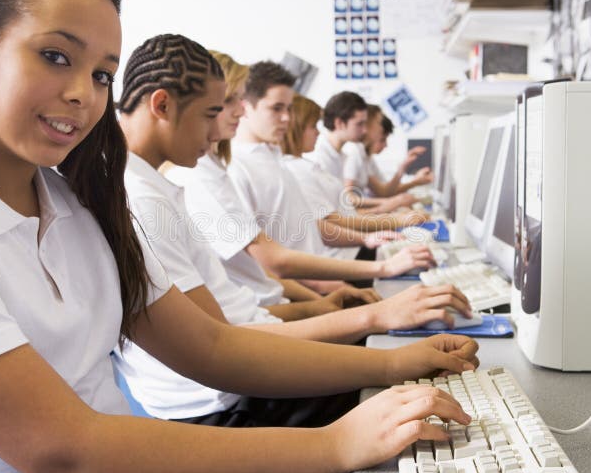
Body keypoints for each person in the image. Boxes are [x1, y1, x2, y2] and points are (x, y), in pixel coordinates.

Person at [0, 0, 479, 473]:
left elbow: (211, 347)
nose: (83, 94)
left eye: (101, 75)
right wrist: (335, 446)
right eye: (54, 56)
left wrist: (397, 362)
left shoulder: (76, 198)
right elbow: (60, 450)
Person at [117, 33, 473, 426]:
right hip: (227, 399)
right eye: (212, 112)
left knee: (412, 378)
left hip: (245, 366)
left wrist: (321, 309)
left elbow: (230, 316)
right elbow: (221, 345)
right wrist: (383, 333)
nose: (224, 122)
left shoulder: (160, 186)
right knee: (417, 394)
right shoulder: (144, 198)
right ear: (163, 104)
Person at [168, 54, 437, 296]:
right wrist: (382, 259)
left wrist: (372, 238)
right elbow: (269, 261)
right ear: (248, 107)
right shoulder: (229, 169)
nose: (286, 118)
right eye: (277, 108)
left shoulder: (275, 159)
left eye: (289, 109)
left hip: (315, 280)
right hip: (306, 285)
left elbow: (309, 225)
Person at [281, 93, 429, 236]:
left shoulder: (343, 155)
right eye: (360, 124)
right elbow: (334, 218)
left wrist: (390, 211)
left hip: (352, 230)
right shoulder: (319, 160)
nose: (364, 130)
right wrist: (390, 214)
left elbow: (345, 210)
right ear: (339, 123)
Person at [343, 105, 434, 212]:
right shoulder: (354, 151)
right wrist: (392, 202)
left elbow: (383, 192)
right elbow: (348, 199)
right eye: (382, 139)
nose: (380, 127)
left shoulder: (364, 156)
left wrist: (402, 169)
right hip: (354, 216)